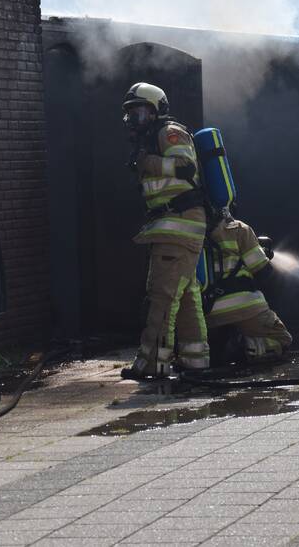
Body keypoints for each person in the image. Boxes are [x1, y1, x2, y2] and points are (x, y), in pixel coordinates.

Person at [120, 82, 209, 380]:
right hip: (176, 225)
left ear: (156, 110)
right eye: (130, 114)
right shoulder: (150, 140)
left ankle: (151, 364)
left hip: (179, 225)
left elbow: (185, 167)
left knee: (162, 296)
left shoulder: (169, 132)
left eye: (139, 112)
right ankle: (196, 361)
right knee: (186, 296)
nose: (134, 119)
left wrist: (147, 162)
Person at [204, 211, 292, 365]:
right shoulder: (239, 229)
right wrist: (263, 255)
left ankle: (224, 349)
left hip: (206, 314)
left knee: (215, 351)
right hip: (245, 307)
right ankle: (247, 347)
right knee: (283, 339)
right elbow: (264, 272)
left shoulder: (190, 235)